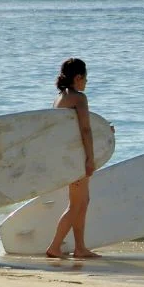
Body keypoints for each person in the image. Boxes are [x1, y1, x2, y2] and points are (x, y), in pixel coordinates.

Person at [45, 58, 102, 259]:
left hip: (67, 157)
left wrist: (104, 131)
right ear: (78, 77)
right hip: (77, 158)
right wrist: (90, 158)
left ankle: (80, 248)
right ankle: (54, 247)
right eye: (86, 79)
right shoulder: (79, 98)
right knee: (77, 204)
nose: (86, 83)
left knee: (83, 201)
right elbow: (85, 130)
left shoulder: (59, 98)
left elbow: (70, 131)